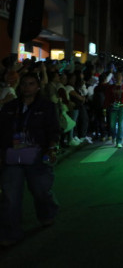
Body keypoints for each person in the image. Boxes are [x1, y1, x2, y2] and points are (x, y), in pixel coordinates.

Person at [0, 72, 61, 246]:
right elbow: (2, 130)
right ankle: (10, 233)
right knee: (10, 196)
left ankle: (47, 213)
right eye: (24, 84)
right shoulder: (10, 106)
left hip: (36, 155)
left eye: (31, 84)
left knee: (41, 191)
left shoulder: (46, 106)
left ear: (38, 86)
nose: (27, 87)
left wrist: (51, 148)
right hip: (12, 156)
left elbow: (53, 128)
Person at [103, 72, 123, 148]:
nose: (118, 78)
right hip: (113, 107)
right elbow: (107, 99)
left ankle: (119, 141)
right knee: (112, 125)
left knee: (121, 125)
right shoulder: (111, 87)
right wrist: (104, 109)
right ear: (114, 78)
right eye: (117, 77)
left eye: (120, 77)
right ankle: (114, 137)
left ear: (122, 78)